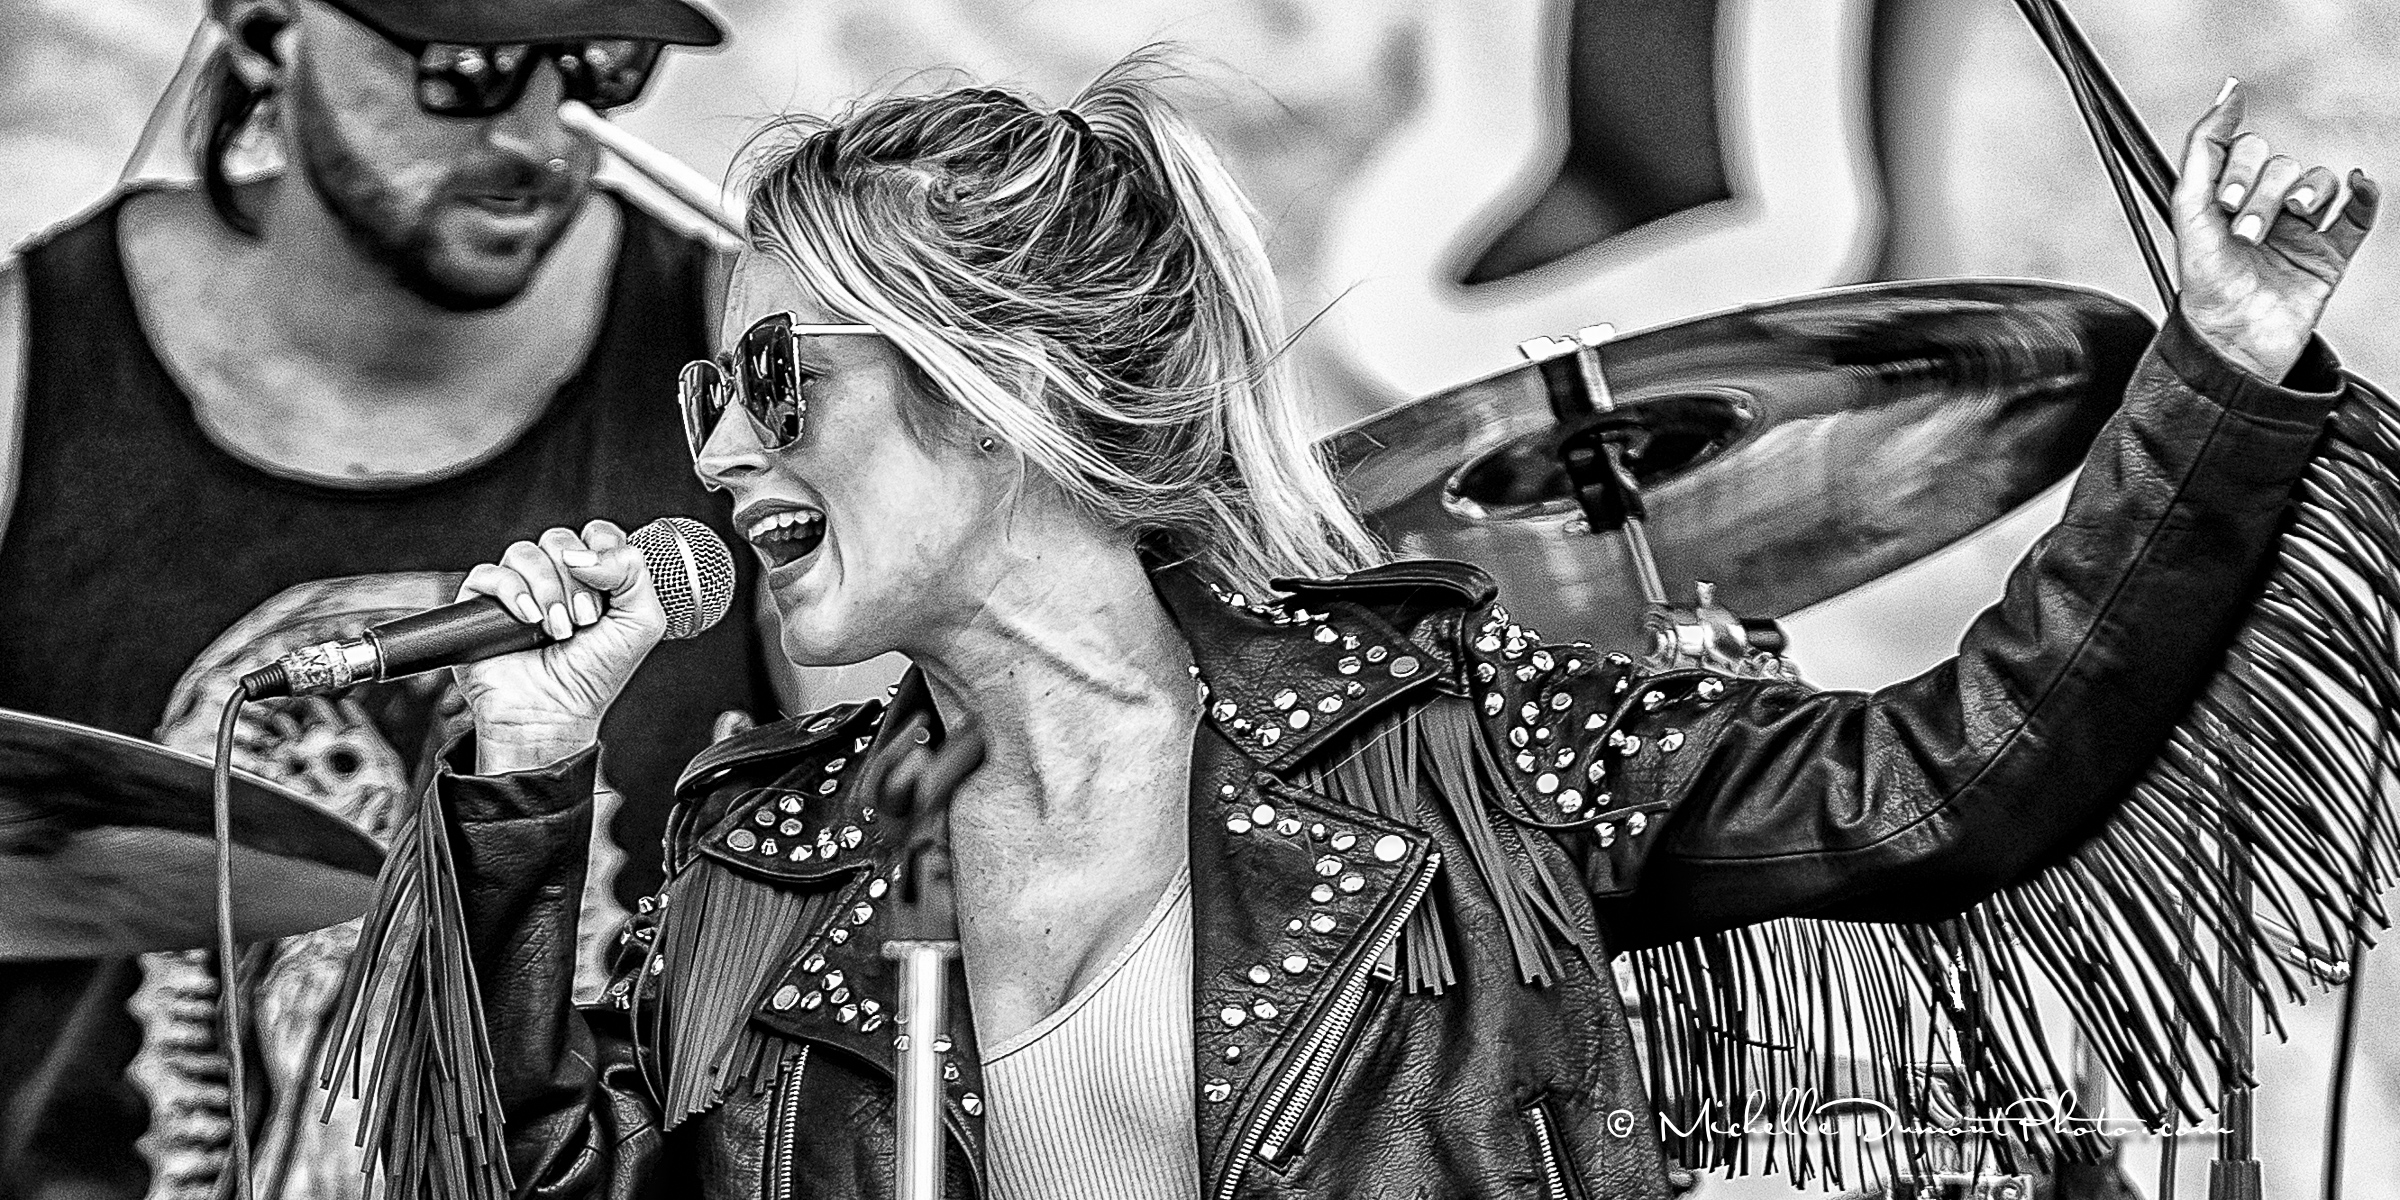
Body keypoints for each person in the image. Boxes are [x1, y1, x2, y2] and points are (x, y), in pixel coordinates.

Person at [433, 62, 2380, 1198]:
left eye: (776, 379)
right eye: (704, 395)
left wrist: (2216, 368)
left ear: (1002, 380)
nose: (722, 451)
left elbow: (1948, 780)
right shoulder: (765, 847)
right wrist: (522, 776)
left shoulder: (1436, 739)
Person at [0, 0, 772, 1195]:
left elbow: (919, 851)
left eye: (598, 64)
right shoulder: (23, 361)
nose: (540, 136)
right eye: (467, 63)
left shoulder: (748, 373)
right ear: (266, 27)